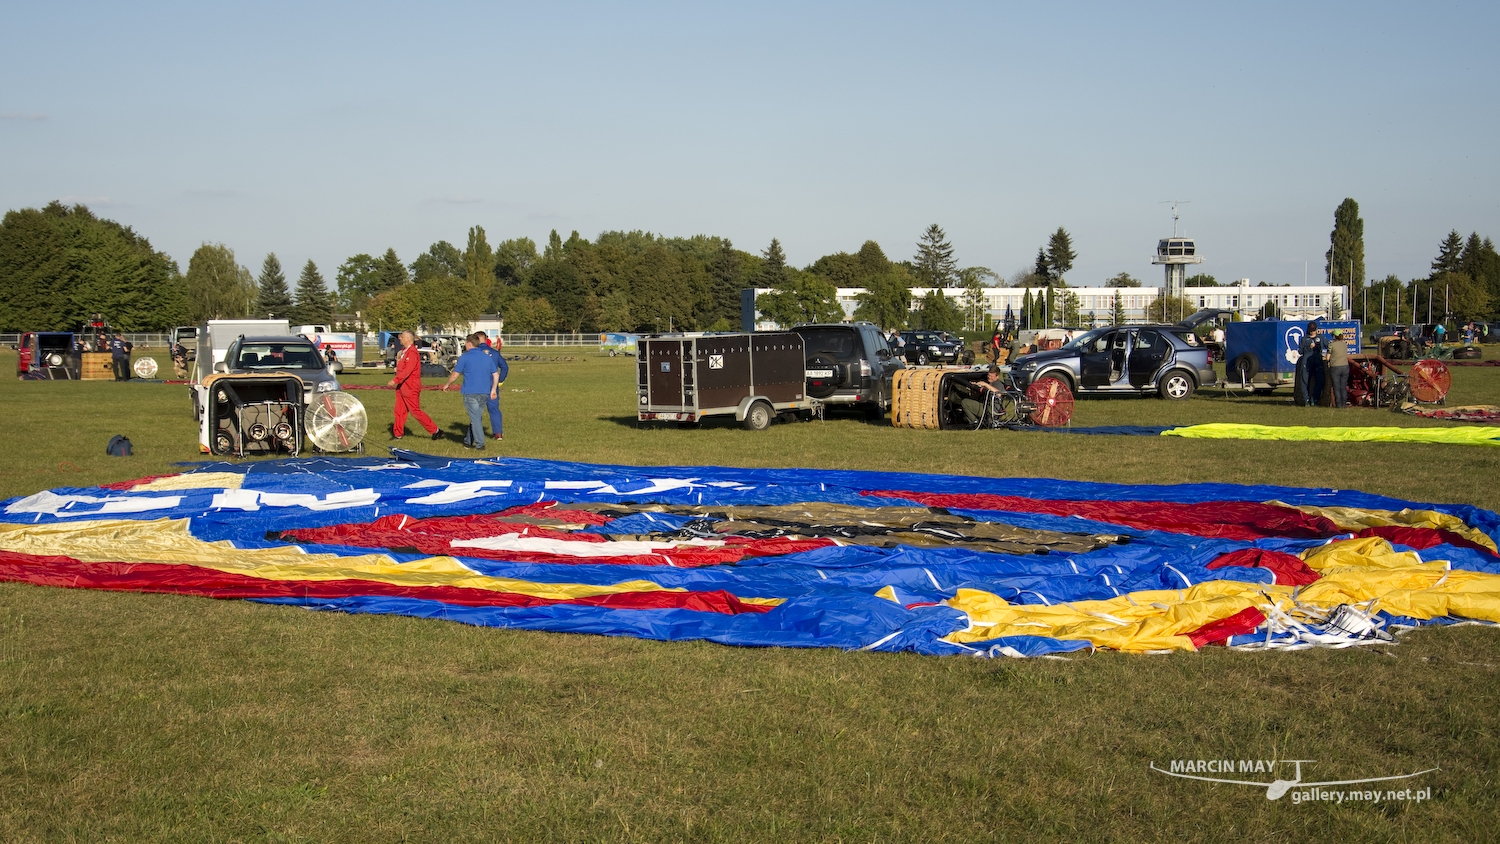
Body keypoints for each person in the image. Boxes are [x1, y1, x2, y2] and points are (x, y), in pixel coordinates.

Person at [441, 333, 500, 450]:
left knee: (476, 418)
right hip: (484, 392)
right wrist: (493, 389)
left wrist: (447, 384)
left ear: (469, 344)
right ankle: (468, 441)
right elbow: (495, 374)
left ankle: (480, 444)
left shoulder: (465, 357)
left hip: (470, 392)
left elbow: (455, 374)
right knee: (476, 417)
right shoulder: (487, 357)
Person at [386, 330, 441, 440]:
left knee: (415, 411)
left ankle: (435, 430)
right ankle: (398, 434)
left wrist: (395, 380)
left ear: (407, 338)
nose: (400, 338)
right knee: (399, 411)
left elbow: (408, 370)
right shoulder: (404, 351)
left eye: (401, 337)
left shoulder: (411, 352)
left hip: (410, 386)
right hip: (402, 386)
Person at [475, 331, 508, 440]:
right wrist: (500, 380)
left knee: (475, 411)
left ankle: (475, 435)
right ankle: (498, 434)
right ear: (486, 338)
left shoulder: (474, 353)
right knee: (494, 409)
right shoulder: (495, 353)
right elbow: (505, 367)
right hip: (492, 386)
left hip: (478, 386)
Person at [1294, 322, 1319, 406]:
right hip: (1306, 361)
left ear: (1316, 329)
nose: (1313, 332)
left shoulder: (1320, 338)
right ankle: (1306, 399)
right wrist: (1308, 348)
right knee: (1305, 381)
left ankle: (1313, 399)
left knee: (1317, 381)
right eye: (1311, 331)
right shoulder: (1304, 339)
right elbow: (1300, 351)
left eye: (1314, 330)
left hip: (1317, 361)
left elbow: (1328, 345)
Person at [1326, 332, 1350, 408]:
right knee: (1343, 386)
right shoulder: (1344, 344)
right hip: (1345, 366)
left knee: (1336, 387)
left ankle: (1338, 404)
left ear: (1334, 336)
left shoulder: (1331, 345)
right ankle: (1344, 404)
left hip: (1335, 367)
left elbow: (1327, 358)